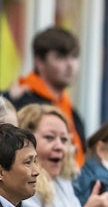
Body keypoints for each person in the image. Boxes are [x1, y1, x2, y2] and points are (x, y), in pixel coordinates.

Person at [4, 27, 88, 166]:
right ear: (39, 62)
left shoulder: (70, 109)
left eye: (74, 56)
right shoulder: (21, 102)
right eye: (60, 57)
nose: (70, 65)